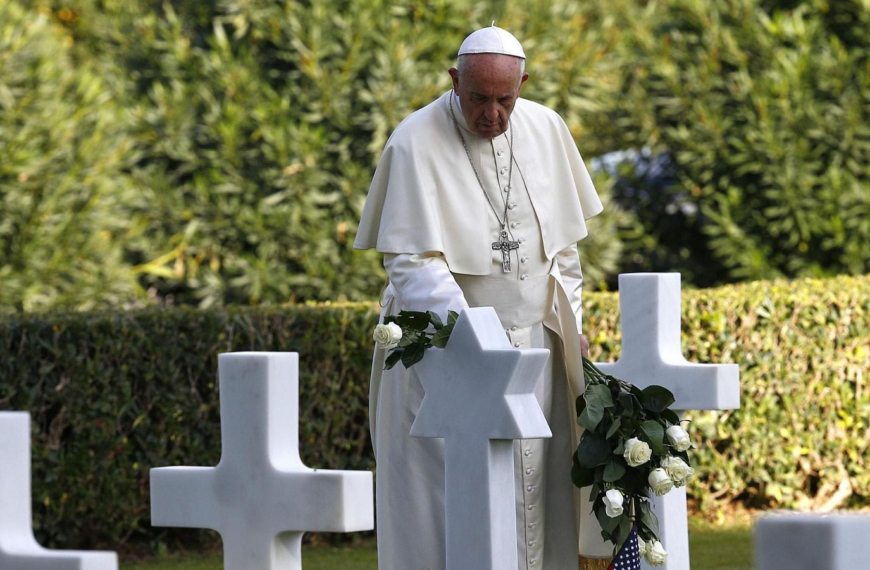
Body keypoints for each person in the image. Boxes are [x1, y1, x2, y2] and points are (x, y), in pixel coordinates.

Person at [354, 24, 611, 570]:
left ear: (522, 86)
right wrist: (479, 348)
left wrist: (574, 323)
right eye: (478, 98)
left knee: (542, 496)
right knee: (450, 504)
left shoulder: (545, 128)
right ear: (454, 80)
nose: (492, 114)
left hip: (537, 353)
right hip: (447, 353)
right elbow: (411, 261)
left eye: (505, 100)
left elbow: (563, 252)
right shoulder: (414, 139)